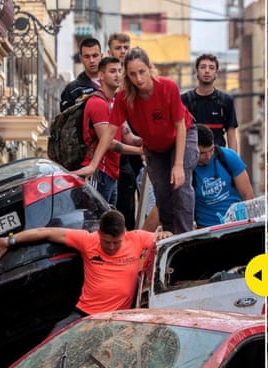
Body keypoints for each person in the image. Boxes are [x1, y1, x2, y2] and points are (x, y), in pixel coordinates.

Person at [74, 48, 198, 235]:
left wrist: (179, 164)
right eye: (132, 74)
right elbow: (109, 132)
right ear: (127, 75)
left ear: (150, 68)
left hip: (182, 136)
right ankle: (170, 232)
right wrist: (93, 165)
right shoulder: (125, 97)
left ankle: (185, 234)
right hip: (154, 147)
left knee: (179, 185)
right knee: (162, 191)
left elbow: (180, 126)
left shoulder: (167, 86)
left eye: (142, 72)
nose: (138, 79)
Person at [0, 209, 166, 332]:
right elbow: (46, 232)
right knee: (51, 345)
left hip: (116, 319)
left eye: (116, 243)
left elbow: (169, 240)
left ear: (124, 234)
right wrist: (10, 241)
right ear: (99, 233)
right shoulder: (88, 240)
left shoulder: (136, 239)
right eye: (106, 242)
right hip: (83, 314)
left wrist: (167, 235)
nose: (111, 247)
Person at [81, 56, 141, 206]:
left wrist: (150, 141)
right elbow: (109, 143)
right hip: (98, 172)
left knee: (107, 222)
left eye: (120, 71)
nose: (118, 75)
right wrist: (141, 151)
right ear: (101, 75)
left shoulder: (116, 103)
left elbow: (128, 136)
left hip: (112, 173)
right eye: (113, 71)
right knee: (95, 221)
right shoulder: (97, 103)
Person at [108, 32, 143, 229]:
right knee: (122, 205)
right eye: (118, 48)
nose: (122, 52)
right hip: (119, 154)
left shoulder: (137, 78)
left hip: (140, 147)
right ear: (109, 51)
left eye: (125, 48)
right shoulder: (110, 81)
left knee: (146, 200)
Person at [192, 125, 254, 227]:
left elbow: (247, 194)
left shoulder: (228, 156)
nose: (208, 156)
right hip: (207, 229)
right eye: (202, 153)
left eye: (211, 150)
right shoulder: (187, 169)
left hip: (237, 224)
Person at [181, 53, 239, 153]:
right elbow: (179, 131)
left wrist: (233, 161)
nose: (207, 71)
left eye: (211, 68)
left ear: (216, 73)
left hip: (218, 156)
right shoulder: (184, 100)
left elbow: (231, 133)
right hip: (192, 156)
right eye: (203, 67)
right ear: (197, 72)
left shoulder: (226, 100)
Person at [59, 38, 104, 112]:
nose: (91, 60)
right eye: (87, 56)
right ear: (81, 58)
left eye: (95, 56)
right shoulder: (73, 89)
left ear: (101, 56)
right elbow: (65, 119)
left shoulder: (112, 83)